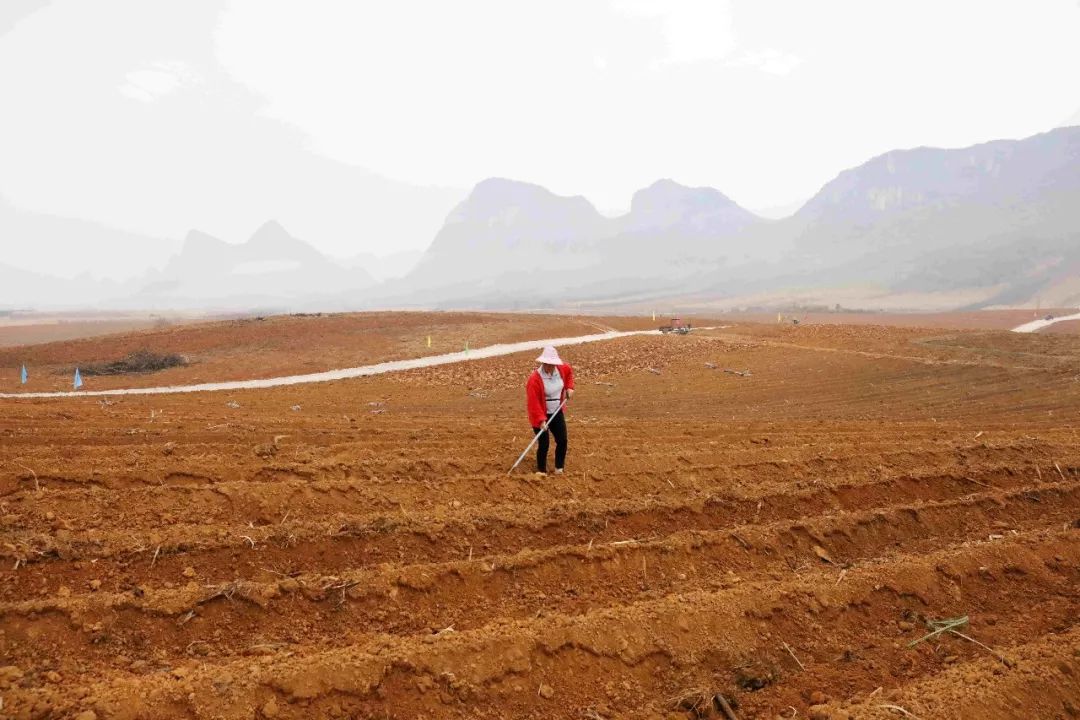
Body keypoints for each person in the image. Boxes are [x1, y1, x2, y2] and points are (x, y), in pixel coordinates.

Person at [525, 345, 575, 475]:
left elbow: (569, 375)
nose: (549, 367)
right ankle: (541, 471)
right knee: (544, 443)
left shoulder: (562, 369)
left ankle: (559, 468)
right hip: (540, 413)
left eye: (552, 364)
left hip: (556, 410)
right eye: (546, 364)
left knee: (562, 440)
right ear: (542, 362)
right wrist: (541, 420)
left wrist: (569, 388)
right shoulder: (534, 379)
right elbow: (533, 403)